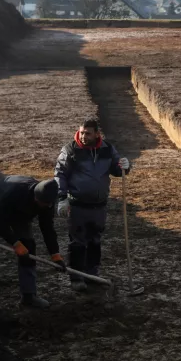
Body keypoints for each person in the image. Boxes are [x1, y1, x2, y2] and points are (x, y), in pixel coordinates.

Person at [55, 117, 131, 292]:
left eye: (87, 133)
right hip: (77, 205)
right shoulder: (70, 150)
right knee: (78, 242)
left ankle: (92, 273)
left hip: (99, 206)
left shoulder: (107, 149)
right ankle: (76, 277)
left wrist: (125, 167)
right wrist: (61, 198)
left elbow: (117, 168)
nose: (83, 136)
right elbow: (60, 174)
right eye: (81, 132)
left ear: (97, 134)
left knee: (95, 240)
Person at [0, 176, 63, 311]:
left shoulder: (48, 200)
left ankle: (29, 296)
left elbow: (47, 227)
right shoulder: (13, 194)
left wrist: (55, 254)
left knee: (29, 249)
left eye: (47, 204)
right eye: (42, 204)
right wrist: (15, 243)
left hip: (21, 216)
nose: (45, 207)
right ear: (35, 197)